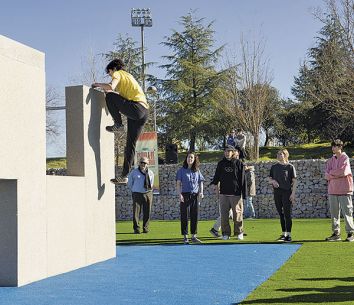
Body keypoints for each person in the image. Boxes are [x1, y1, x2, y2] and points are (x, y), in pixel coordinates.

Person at [91, 59, 149, 185]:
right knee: (130, 145)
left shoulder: (118, 74)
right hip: (143, 112)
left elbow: (111, 87)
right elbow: (121, 97)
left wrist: (97, 85)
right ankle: (124, 176)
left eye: (109, 73)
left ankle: (118, 124)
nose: (110, 76)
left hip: (136, 108)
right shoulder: (128, 76)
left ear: (113, 69)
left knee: (110, 96)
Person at [210, 145, 247, 240]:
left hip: (236, 194)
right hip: (223, 193)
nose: (227, 153)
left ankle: (239, 232)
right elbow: (216, 176)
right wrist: (214, 184)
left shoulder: (239, 163)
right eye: (226, 151)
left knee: (237, 215)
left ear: (233, 152)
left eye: (229, 151)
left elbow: (243, 180)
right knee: (224, 216)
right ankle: (226, 233)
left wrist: (244, 194)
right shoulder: (221, 164)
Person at [325, 139, 354, 242]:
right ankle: (336, 234)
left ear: (340, 147)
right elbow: (326, 175)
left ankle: (350, 234)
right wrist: (334, 174)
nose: (333, 148)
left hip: (345, 190)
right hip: (332, 190)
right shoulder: (330, 160)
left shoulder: (345, 158)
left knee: (347, 212)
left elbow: (343, 172)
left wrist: (332, 174)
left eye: (335, 146)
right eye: (332, 146)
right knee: (334, 214)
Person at [268, 149, 297, 243]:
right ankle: (283, 233)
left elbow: (294, 181)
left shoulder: (290, 167)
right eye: (278, 154)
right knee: (281, 213)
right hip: (277, 193)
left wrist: (293, 194)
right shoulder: (274, 167)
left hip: (287, 192)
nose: (279, 155)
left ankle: (289, 235)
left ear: (286, 155)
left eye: (281, 154)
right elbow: (269, 178)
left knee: (287, 214)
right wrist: (273, 181)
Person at [176, 152, 205, 244]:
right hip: (185, 195)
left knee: (194, 216)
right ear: (186, 159)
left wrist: (201, 192)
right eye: (189, 157)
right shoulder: (181, 170)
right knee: (184, 216)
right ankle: (185, 237)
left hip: (195, 196)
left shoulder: (197, 170)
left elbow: (200, 182)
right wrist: (179, 194)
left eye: (192, 158)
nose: (190, 159)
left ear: (194, 159)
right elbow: (178, 184)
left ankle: (194, 236)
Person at [127, 156, 154, 234]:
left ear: (148, 164)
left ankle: (145, 228)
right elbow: (129, 183)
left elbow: (151, 184)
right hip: (137, 194)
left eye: (145, 163)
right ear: (139, 163)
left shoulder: (150, 173)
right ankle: (136, 228)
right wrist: (134, 190)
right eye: (141, 162)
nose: (143, 164)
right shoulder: (134, 172)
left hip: (148, 194)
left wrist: (148, 191)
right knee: (136, 212)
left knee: (147, 212)